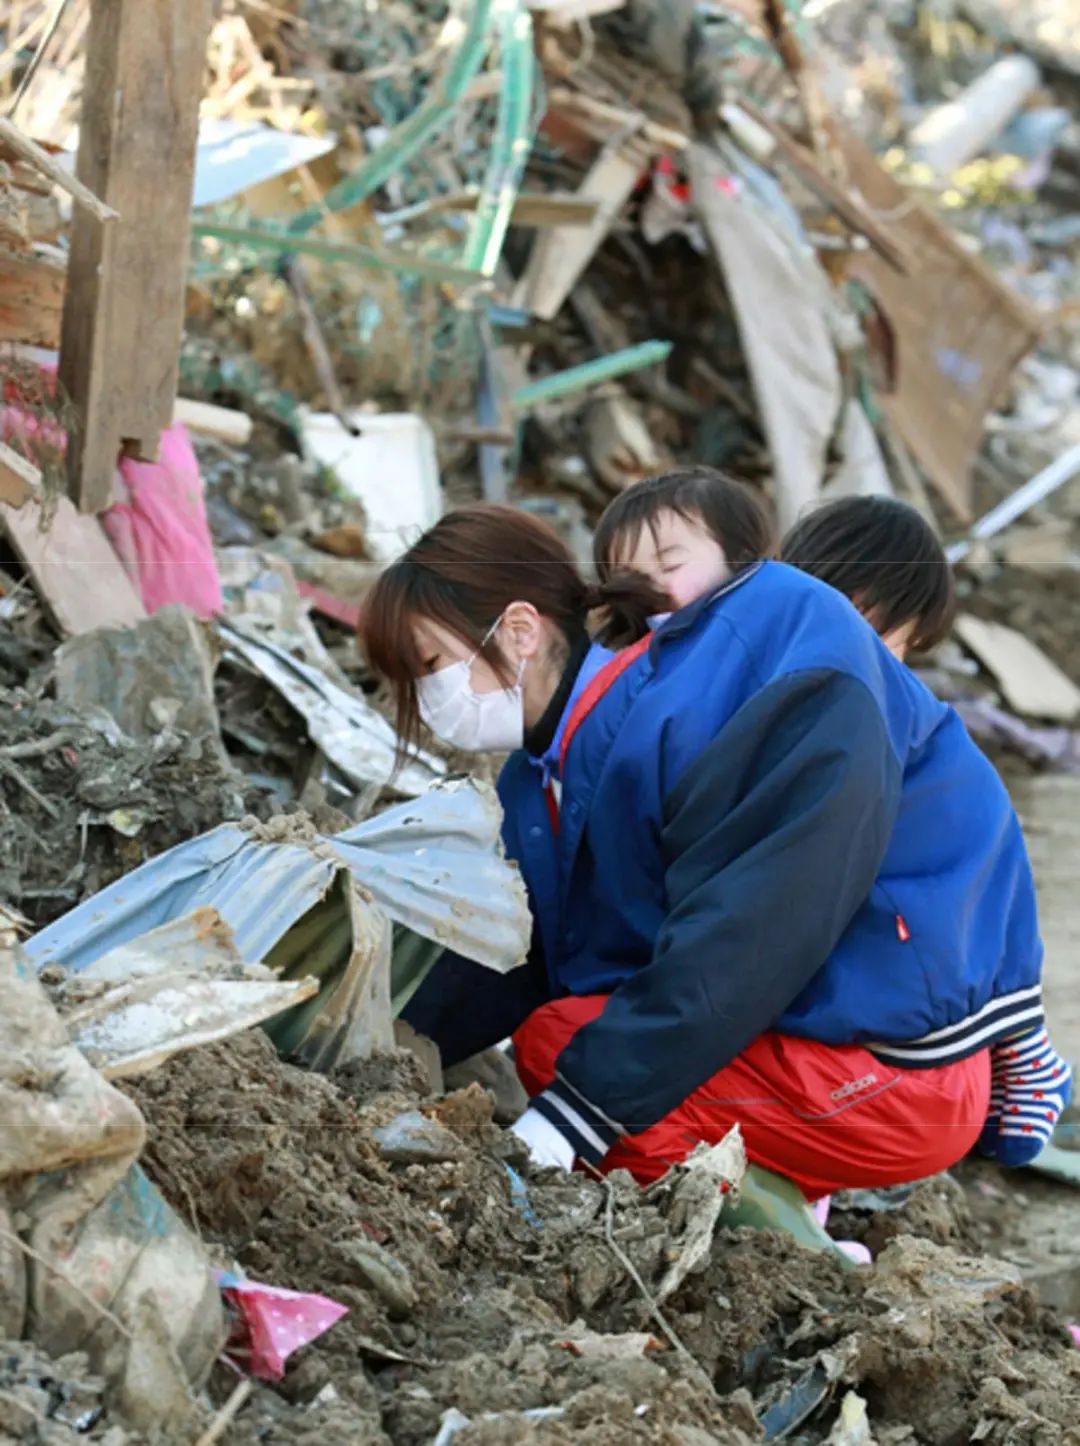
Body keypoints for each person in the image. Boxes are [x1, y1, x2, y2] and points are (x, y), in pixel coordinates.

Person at [360, 496, 1059, 1195]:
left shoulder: (715, 706)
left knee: (565, 1049)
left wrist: (571, 1119)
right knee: (579, 1035)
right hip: (831, 1020)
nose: (426, 701)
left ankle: (779, 1241)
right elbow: (532, 948)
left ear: (519, 630)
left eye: (430, 666)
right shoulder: (548, 772)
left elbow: (751, 933)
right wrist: (383, 1047)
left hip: (896, 1070)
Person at [595, 474, 1070, 1165]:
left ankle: (1025, 1046)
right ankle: (1020, 1045)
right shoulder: (803, 686)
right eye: (896, 641)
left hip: (907, 1032)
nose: (895, 664)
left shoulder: (876, 714)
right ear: (854, 606)